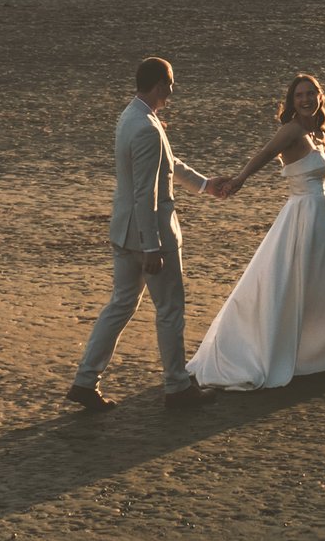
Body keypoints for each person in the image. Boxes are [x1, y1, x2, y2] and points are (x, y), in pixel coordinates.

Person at [186, 72, 325, 391]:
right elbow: (264, 154)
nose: (305, 99)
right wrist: (240, 180)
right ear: (291, 101)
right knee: (294, 284)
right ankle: (291, 354)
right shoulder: (292, 130)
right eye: (299, 95)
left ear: (320, 97)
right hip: (302, 215)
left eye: (310, 93)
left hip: (323, 214)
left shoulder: (320, 133)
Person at [67, 56, 229, 410]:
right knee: (170, 309)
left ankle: (85, 379)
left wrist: (204, 185)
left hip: (124, 233)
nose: (171, 91)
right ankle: (177, 386)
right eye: (169, 84)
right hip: (148, 236)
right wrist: (153, 246)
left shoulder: (132, 117)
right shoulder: (146, 127)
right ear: (159, 85)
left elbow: (166, 167)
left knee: (121, 304)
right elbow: (146, 192)